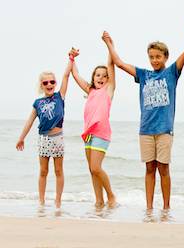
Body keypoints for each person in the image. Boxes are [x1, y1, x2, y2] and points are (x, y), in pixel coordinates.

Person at [103, 23, 184, 210]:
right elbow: (119, 63)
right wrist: (109, 44)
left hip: (164, 130)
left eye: (158, 57)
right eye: (151, 57)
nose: (154, 60)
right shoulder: (143, 75)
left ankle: (166, 207)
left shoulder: (171, 73)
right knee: (149, 169)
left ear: (165, 57)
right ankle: (149, 207)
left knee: (163, 169)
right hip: (145, 130)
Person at [15, 50, 73, 208]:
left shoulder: (60, 96)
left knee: (59, 171)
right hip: (43, 139)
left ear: (55, 83)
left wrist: (71, 59)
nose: (49, 85)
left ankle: (58, 201)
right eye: (45, 83)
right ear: (41, 85)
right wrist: (21, 138)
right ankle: (41, 201)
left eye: (52, 82)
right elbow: (29, 121)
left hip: (58, 138)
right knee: (43, 171)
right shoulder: (38, 102)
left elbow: (66, 76)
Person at [70, 34, 117, 208]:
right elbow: (76, 75)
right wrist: (72, 58)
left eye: (104, 76)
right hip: (88, 134)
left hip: (101, 134)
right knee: (92, 170)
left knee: (96, 168)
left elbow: (111, 66)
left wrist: (109, 45)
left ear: (108, 79)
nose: (100, 78)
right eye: (97, 75)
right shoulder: (90, 90)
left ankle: (111, 196)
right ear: (93, 77)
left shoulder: (108, 90)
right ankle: (99, 200)